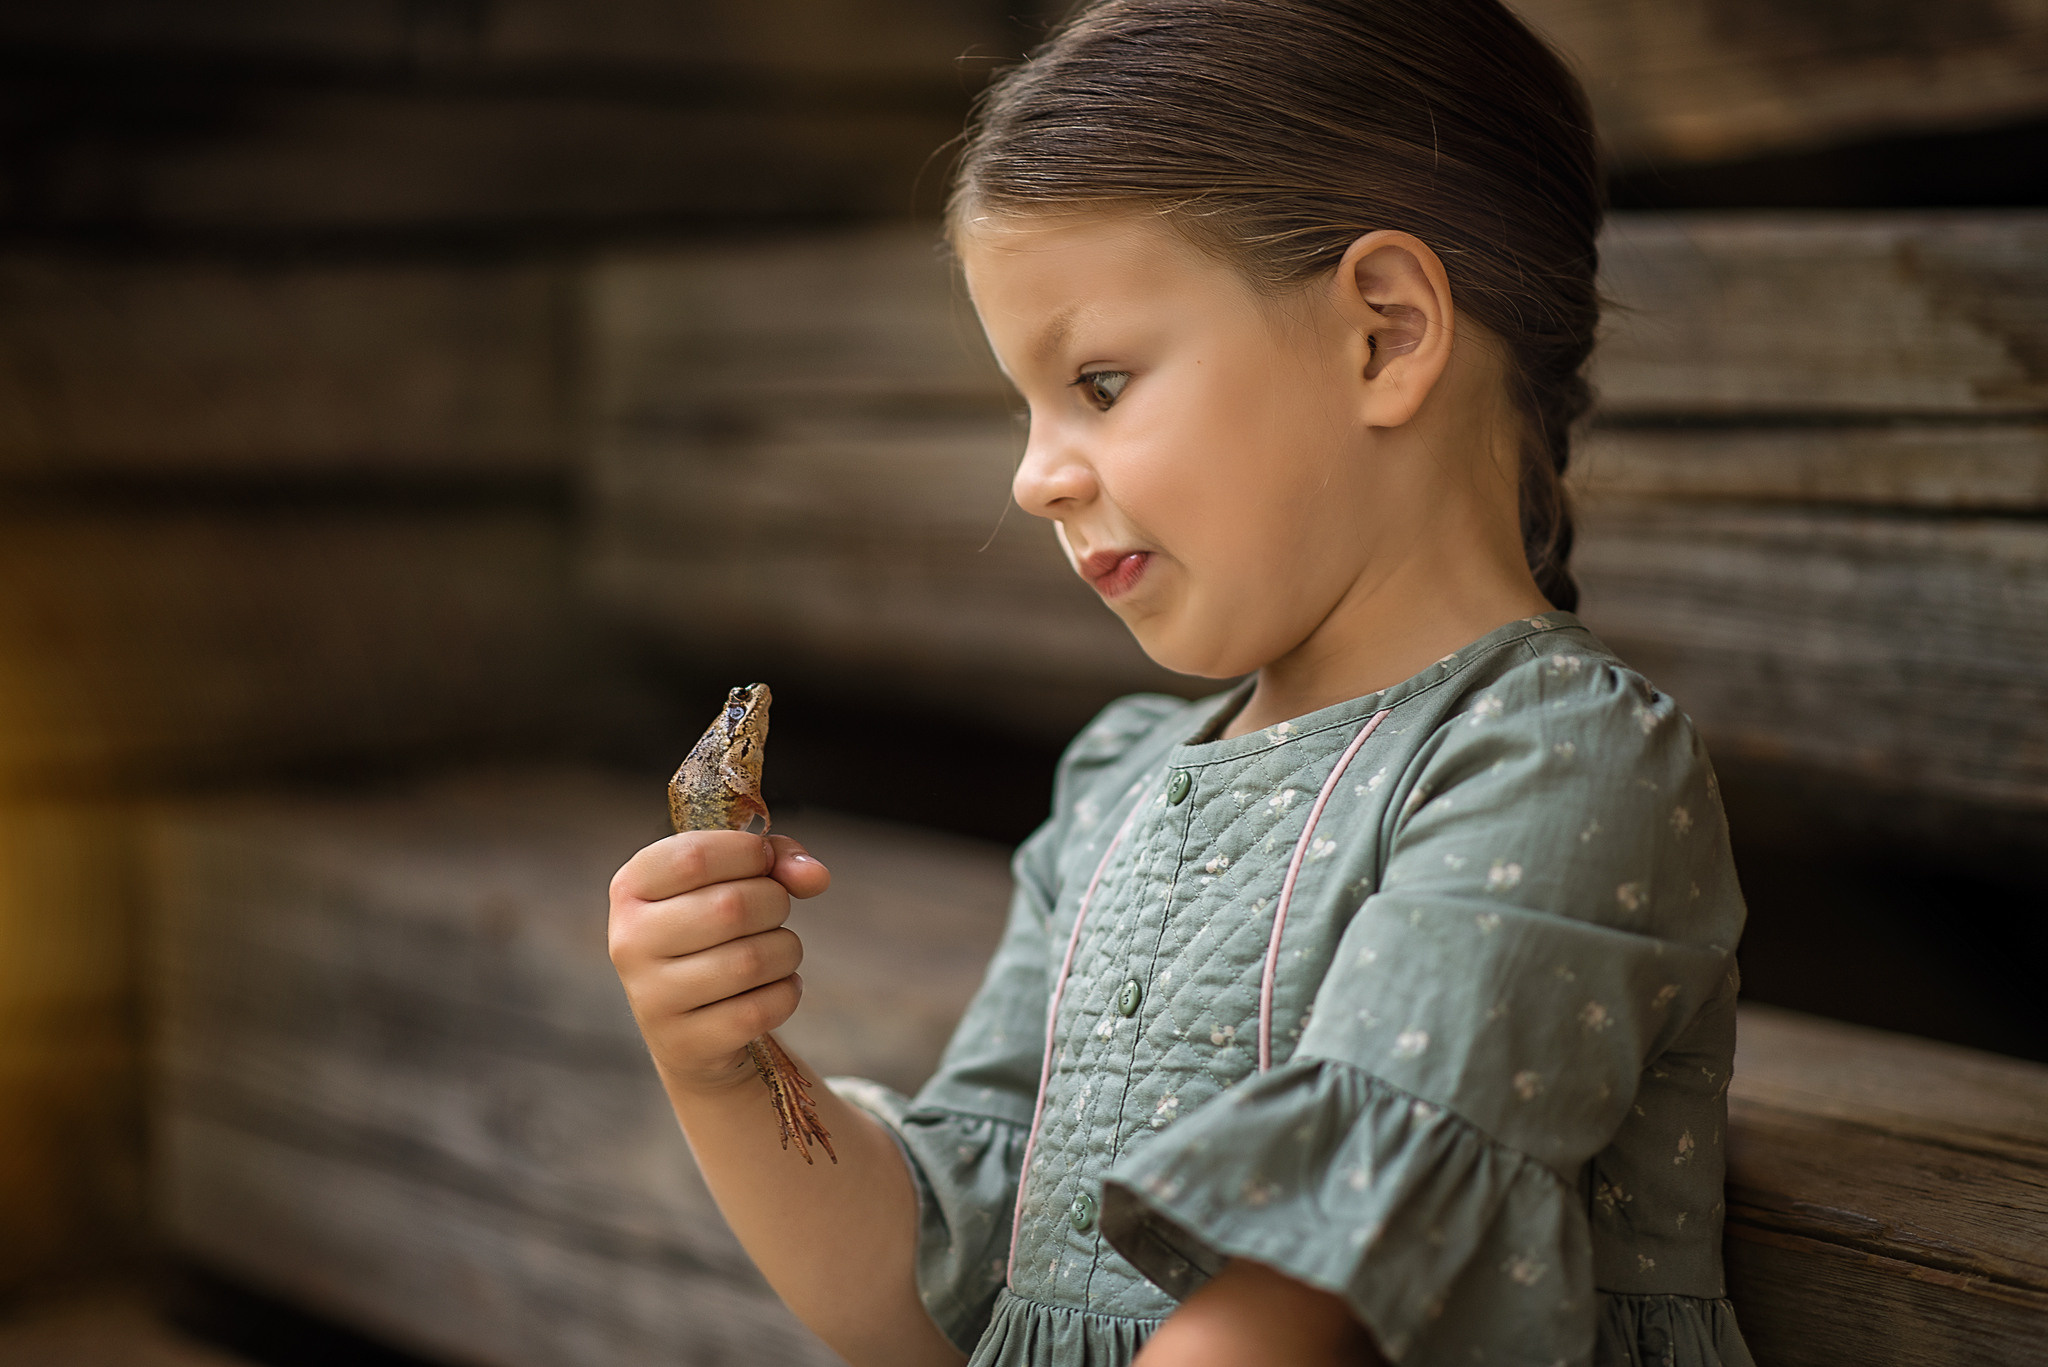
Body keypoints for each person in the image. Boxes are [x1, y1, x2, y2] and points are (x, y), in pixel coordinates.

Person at [607, 1, 1754, 1363]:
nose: (1034, 478)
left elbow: (1293, 1310)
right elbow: (934, 1302)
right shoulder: (1118, 793)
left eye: (1097, 382)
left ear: (1384, 334)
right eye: (1026, 408)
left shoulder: (1554, 766)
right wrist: (723, 1067)